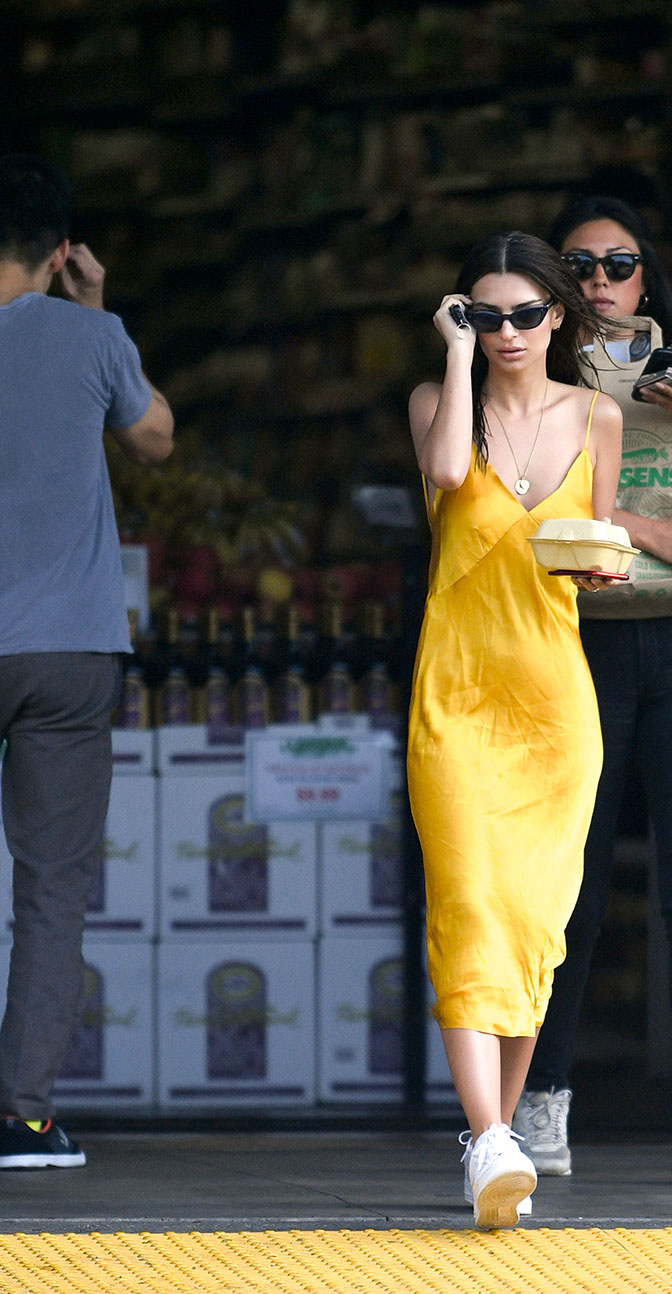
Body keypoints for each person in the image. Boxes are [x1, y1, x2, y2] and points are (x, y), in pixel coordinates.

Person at [513, 194, 672, 1184]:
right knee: (567, 892)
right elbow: (523, 498)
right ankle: (543, 1101)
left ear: (644, 275)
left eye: (617, 265)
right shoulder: (535, 374)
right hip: (580, 645)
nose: (599, 284)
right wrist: (648, 531)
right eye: (577, 267)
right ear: (554, 285)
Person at [406, 231, 623, 1227]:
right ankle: (487, 1135)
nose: (505, 333)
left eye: (523, 315)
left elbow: (595, 550)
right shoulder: (437, 405)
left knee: (536, 919)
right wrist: (452, 359)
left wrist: (604, 566)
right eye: (483, 316)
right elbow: (449, 476)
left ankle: (503, 1138)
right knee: (467, 899)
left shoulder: (598, 417)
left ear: (558, 317)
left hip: (552, 704)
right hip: (456, 694)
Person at [0, 154, 174, 1168]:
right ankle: (21, 1116)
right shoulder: (92, 334)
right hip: (65, 650)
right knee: (50, 886)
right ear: (61, 251)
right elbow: (154, 437)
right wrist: (101, 308)